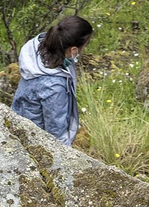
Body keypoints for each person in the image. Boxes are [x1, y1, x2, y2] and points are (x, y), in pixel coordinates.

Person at [11, 15, 94, 145]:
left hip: (20, 121)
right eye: (85, 45)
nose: (85, 49)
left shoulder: (43, 47)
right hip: (34, 140)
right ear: (73, 50)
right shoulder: (53, 87)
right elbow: (56, 134)